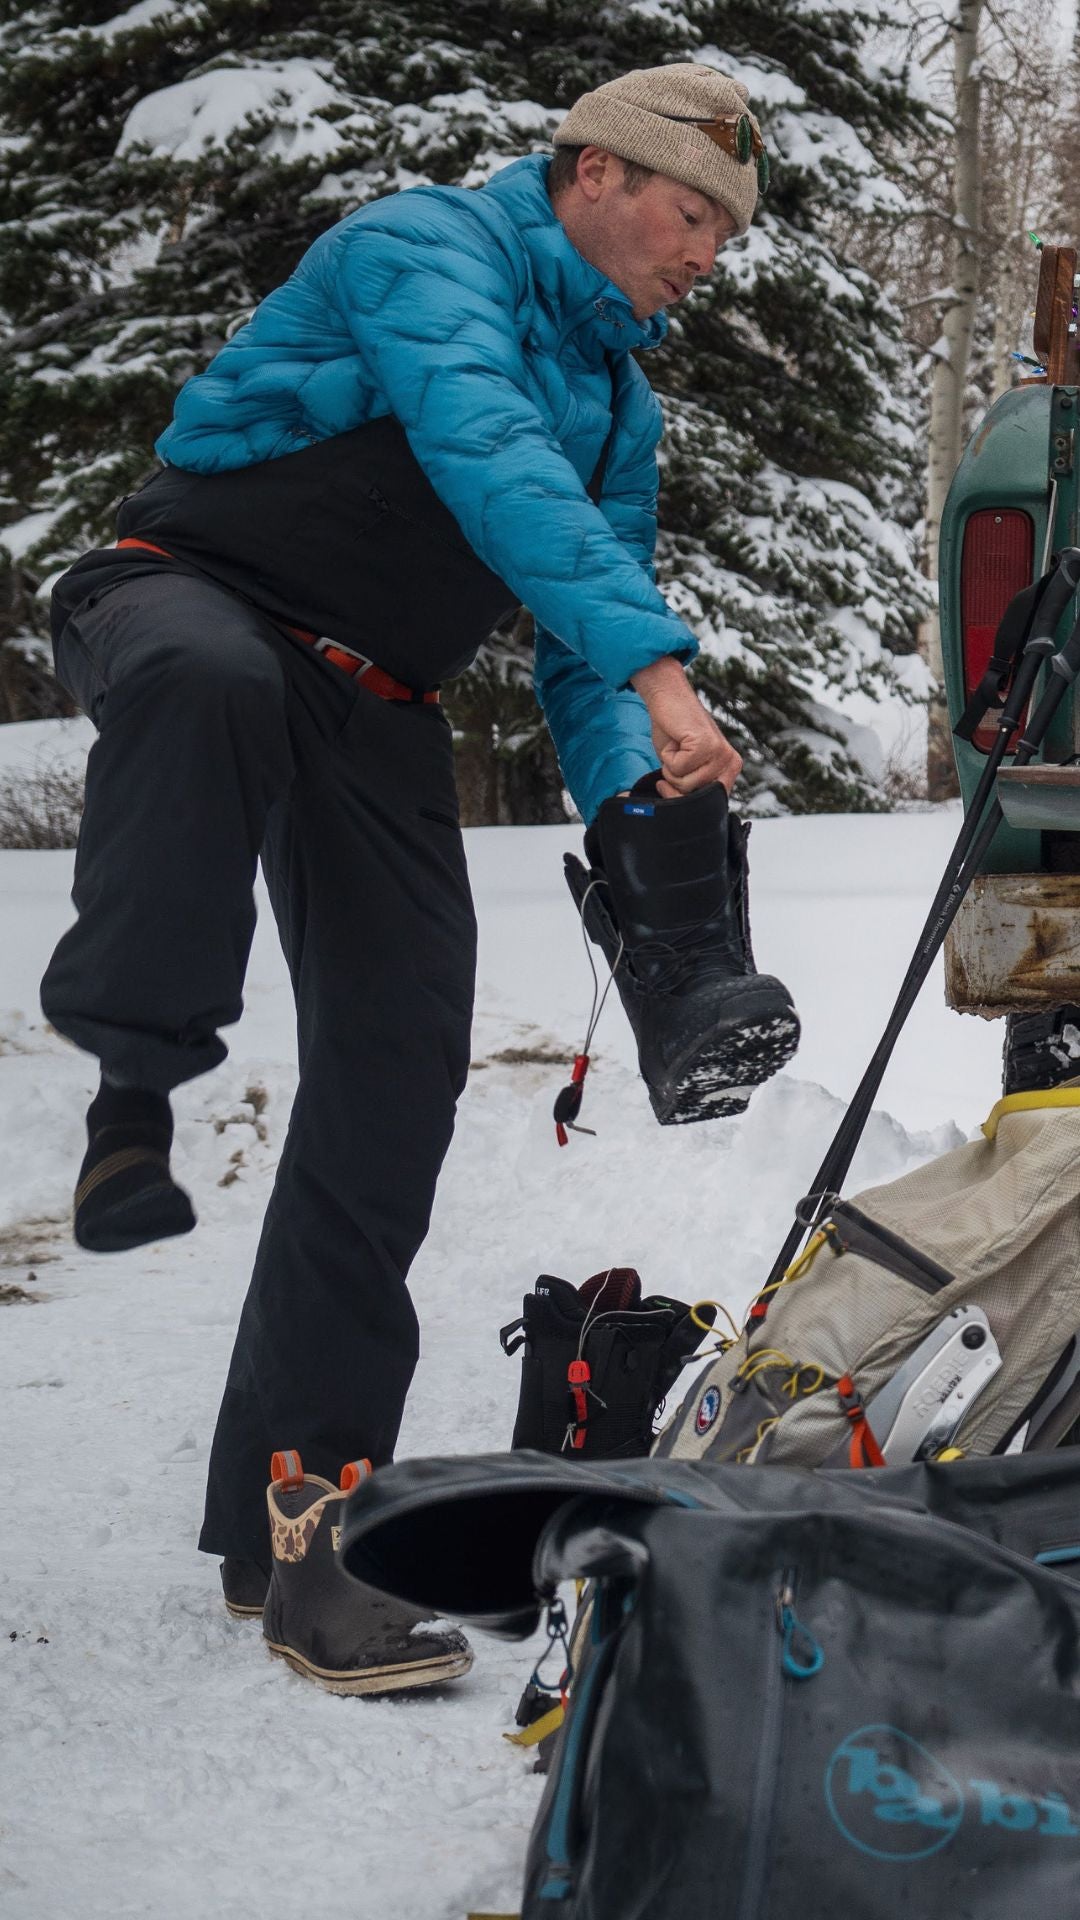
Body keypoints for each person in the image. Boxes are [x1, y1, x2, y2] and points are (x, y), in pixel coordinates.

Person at [40, 62, 797, 1693]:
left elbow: (584, 670)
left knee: (395, 1064)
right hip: (189, 598)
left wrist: (642, 798)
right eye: (693, 214)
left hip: (375, 694)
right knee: (212, 685)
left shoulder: (620, 404)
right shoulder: (423, 250)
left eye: (729, 234)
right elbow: (482, 450)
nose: (709, 254)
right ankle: (132, 1088)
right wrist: (671, 670)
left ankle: (298, 1519)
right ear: (595, 174)